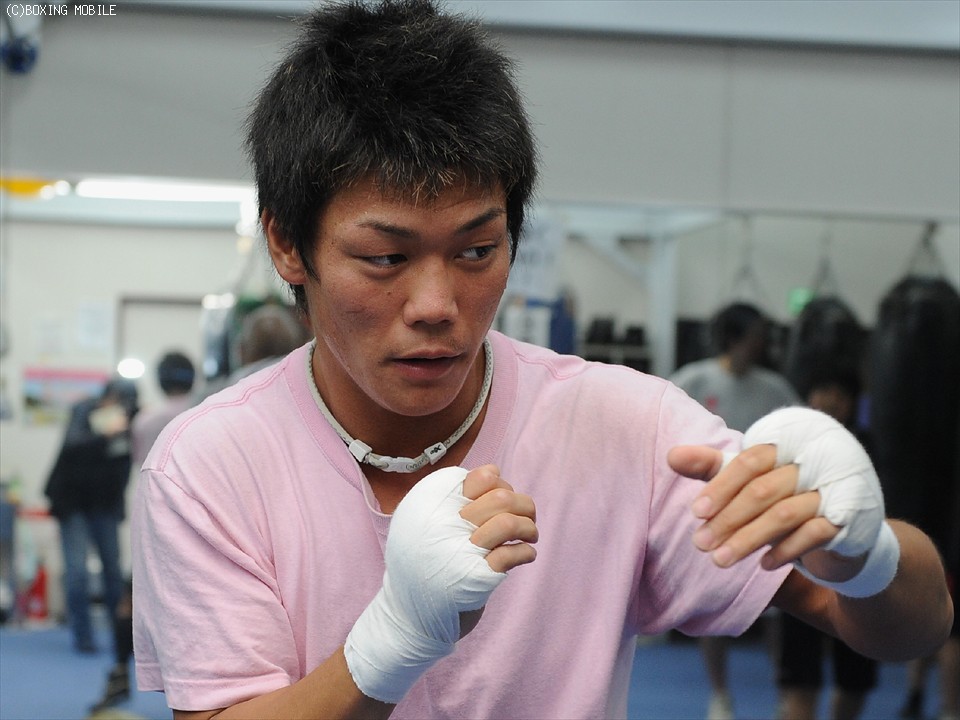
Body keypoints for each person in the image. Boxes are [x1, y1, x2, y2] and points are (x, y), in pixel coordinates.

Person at [131, 3, 953, 719]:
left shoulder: (625, 426)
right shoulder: (211, 464)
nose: (436, 303)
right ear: (287, 244)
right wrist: (391, 644)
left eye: (476, 250)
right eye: (385, 259)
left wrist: (868, 554)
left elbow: (911, 627)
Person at [670, 301, 802, 720]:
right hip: (712, 510)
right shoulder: (694, 379)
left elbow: (803, 436)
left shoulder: (775, 389)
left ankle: (785, 690)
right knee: (715, 602)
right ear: (734, 337)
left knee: (779, 607)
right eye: (755, 335)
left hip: (765, 510)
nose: (761, 343)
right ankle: (720, 694)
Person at [89, 352, 196, 713]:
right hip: (199, 523)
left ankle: (120, 674)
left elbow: (137, 462)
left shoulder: (146, 421)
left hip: (155, 519)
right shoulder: (208, 410)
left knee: (129, 602)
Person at [775, 369, 878, 720]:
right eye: (822, 390)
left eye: (839, 394)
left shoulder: (868, 447)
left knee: (855, 682)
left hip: (857, 578)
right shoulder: (792, 445)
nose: (829, 400)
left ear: (851, 403)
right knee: (799, 680)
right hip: (804, 571)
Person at [45, 377, 138, 654]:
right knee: (77, 573)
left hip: (104, 506)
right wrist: (103, 433)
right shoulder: (83, 411)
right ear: (106, 398)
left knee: (113, 572)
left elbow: (124, 467)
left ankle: (119, 637)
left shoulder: (128, 422)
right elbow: (72, 446)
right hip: (72, 504)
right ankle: (83, 637)